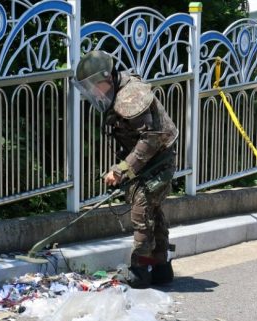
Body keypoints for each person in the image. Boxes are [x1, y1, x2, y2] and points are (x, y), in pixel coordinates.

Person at [73, 51, 178, 289]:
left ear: (107, 78)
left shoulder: (131, 96)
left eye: (94, 85)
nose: (94, 92)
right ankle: (161, 267)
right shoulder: (117, 91)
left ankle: (139, 271)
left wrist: (121, 170)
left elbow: (150, 140)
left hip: (158, 158)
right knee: (153, 211)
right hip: (150, 158)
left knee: (142, 212)